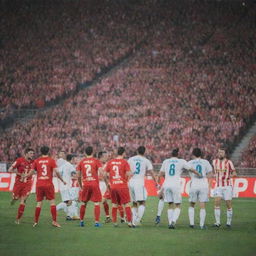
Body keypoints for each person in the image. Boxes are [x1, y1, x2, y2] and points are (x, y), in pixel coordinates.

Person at [158, 148, 201, 229]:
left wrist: (158, 184)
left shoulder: (166, 161)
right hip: (175, 185)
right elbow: (191, 169)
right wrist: (198, 173)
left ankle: (170, 222)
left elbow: (160, 173)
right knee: (178, 205)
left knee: (170, 204)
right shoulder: (181, 161)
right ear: (178, 155)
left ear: (171, 154)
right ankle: (173, 221)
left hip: (167, 184)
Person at [30, 146, 66, 227]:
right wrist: (62, 180)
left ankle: (35, 222)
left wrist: (25, 176)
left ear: (41, 152)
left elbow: (31, 172)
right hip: (48, 184)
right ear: (48, 151)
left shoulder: (37, 161)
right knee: (52, 202)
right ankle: (54, 221)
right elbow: (57, 172)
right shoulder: (51, 160)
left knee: (39, 203)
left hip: (39, 184)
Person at [104, 147, 133, 227]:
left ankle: (114, 222)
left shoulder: (110, 162)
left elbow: (105, 175)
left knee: (114, 204)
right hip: (122, 186)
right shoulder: (124, 162)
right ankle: (129, 222)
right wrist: (127, 177)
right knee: (127, 204)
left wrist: (108, 183)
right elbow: (129, 174)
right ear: (123, 153)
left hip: (113, 186)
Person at [128, 146, 156, 226]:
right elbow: (151, 171)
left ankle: (133, 220)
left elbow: (127, 170)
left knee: (134, 202)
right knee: (142, 202)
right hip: (139, 182)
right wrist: (156, 181)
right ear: (144, 152)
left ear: (137, 151)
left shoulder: (131, 159)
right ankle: (137, 221)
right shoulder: (146, 161)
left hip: (131, 181)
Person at [77, 146, 102, 227]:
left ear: (85, 152)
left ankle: (81, 221)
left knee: (83, 203)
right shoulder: (96, 161)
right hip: (94, 184)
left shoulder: (81, 162)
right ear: (93, 152)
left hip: (86, 184)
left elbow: (78, 176)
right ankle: (97, 222)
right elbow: (101, 172)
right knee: (97, 203)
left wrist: (81, 186)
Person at [187, 148, 213, 229]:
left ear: (193, 154)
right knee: (202, 205)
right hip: (203, 183)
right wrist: (209, 185)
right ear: (201, 154)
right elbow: (210, 174)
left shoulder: (190, 162)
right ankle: (202, 225)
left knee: (192, 204)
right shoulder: (205, 162)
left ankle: (191, 224)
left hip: (194, 183)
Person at [8, 148, 35, 224]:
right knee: (16, 198)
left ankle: (18, 219)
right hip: (19, 183)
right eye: (30, 153)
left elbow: (35, 172)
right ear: (26, 153)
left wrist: (29, 174)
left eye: (33, 153)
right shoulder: (19, 160)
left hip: (28, 183)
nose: (32, 155)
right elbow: (10, 170)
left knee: (23, 200)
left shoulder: (33, 162)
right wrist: (19, 174)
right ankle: (14, 199)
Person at [212, 148, 237, 228]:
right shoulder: (214, 162)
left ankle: (228, 222)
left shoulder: (229, 162)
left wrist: (230, 176)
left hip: (227, 186)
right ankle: (217, 222)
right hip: (218, 185)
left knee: (228, 203)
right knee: (217, 202)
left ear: (225, 154)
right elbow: (213, 172)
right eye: (219, 152)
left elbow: (234, 173)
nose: (220, 154)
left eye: (222, 152)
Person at [56, 154, 77, 220]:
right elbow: (74, 174)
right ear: (72, 159)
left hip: (62, 186)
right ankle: (68, 216)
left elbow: (57, 173)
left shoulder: (63, 165)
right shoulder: (70, 166)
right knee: (70, 201)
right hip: (66, 186)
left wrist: (62, 180)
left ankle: (68, 215)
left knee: (67, 202)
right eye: (74, 159)